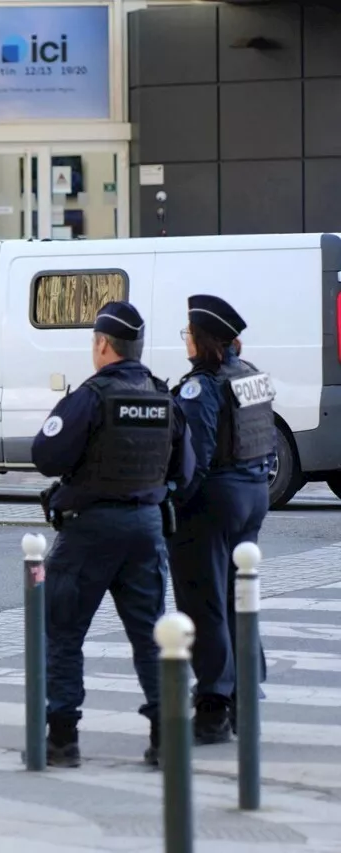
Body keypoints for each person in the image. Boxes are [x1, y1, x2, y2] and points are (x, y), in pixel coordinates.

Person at [31, 301, 195, 768]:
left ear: (103, 344)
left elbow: (46, 454)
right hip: (146, 529)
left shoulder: (92, 395)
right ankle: (166, 738)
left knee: (64, 632)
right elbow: (184, 471)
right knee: (151, 637)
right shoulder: (164, 397)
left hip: (90, 531)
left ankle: (62, 739)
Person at [169, 294, 273, 744]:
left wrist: (175, 503)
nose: (185, 341)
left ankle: (213, 703)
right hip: (252, 495)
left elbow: (197, 456)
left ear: (203, 339)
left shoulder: (202, 385)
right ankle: (245, 690)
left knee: (204, 601)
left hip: (214, 502)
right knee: (238, 599)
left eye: (188, 334)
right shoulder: (251, 376)